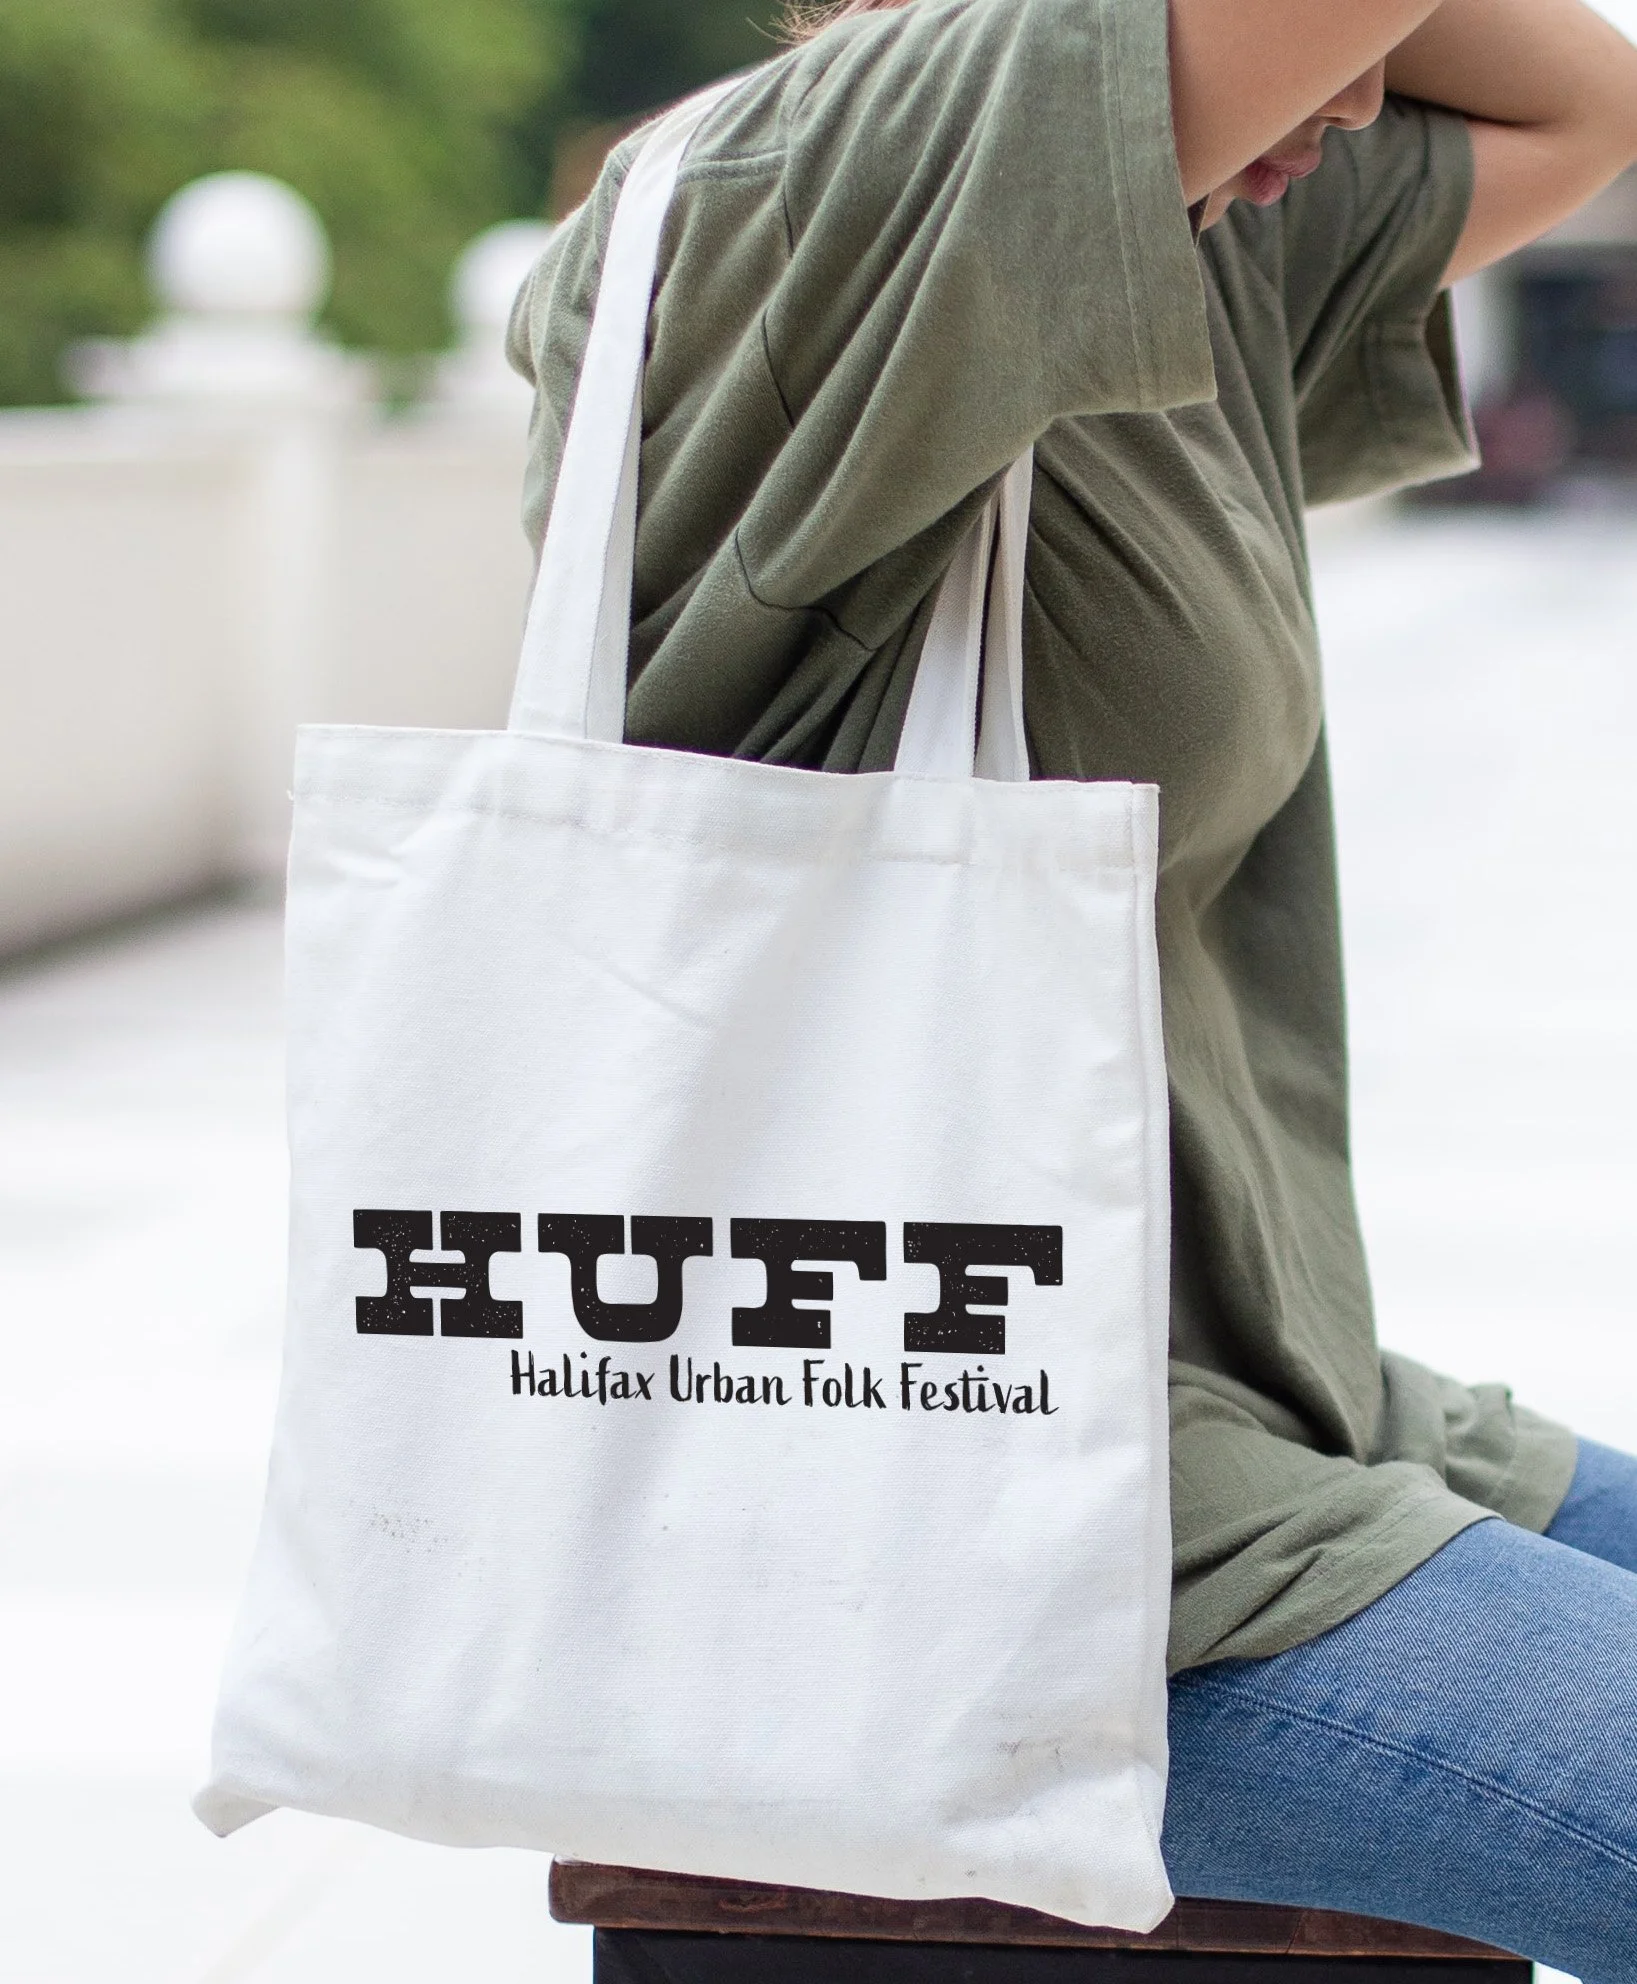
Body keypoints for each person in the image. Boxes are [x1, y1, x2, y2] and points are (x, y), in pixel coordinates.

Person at [508, 0, 1637, 1972]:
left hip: (1247, 1415)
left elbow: (1586, 99)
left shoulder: (1190, 238)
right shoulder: (862, 182)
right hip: (978, 1529)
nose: (1366, 90)